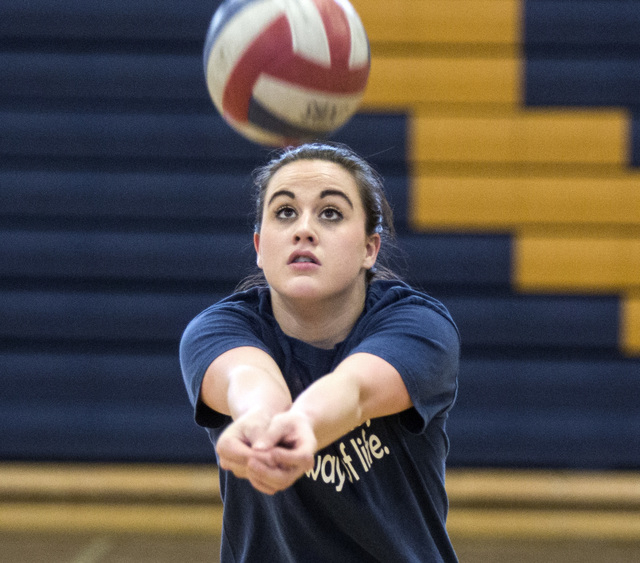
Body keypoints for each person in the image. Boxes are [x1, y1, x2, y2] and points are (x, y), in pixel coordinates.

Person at [180, 142, 460, 562]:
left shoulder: (421, 326)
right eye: (285, 212)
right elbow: (248, 379)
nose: (303, 229)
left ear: (370, 248)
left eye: (331, 213)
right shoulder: (218, 329)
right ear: (259, 245)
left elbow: (356, 391)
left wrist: (302, 426)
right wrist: (259, 421)